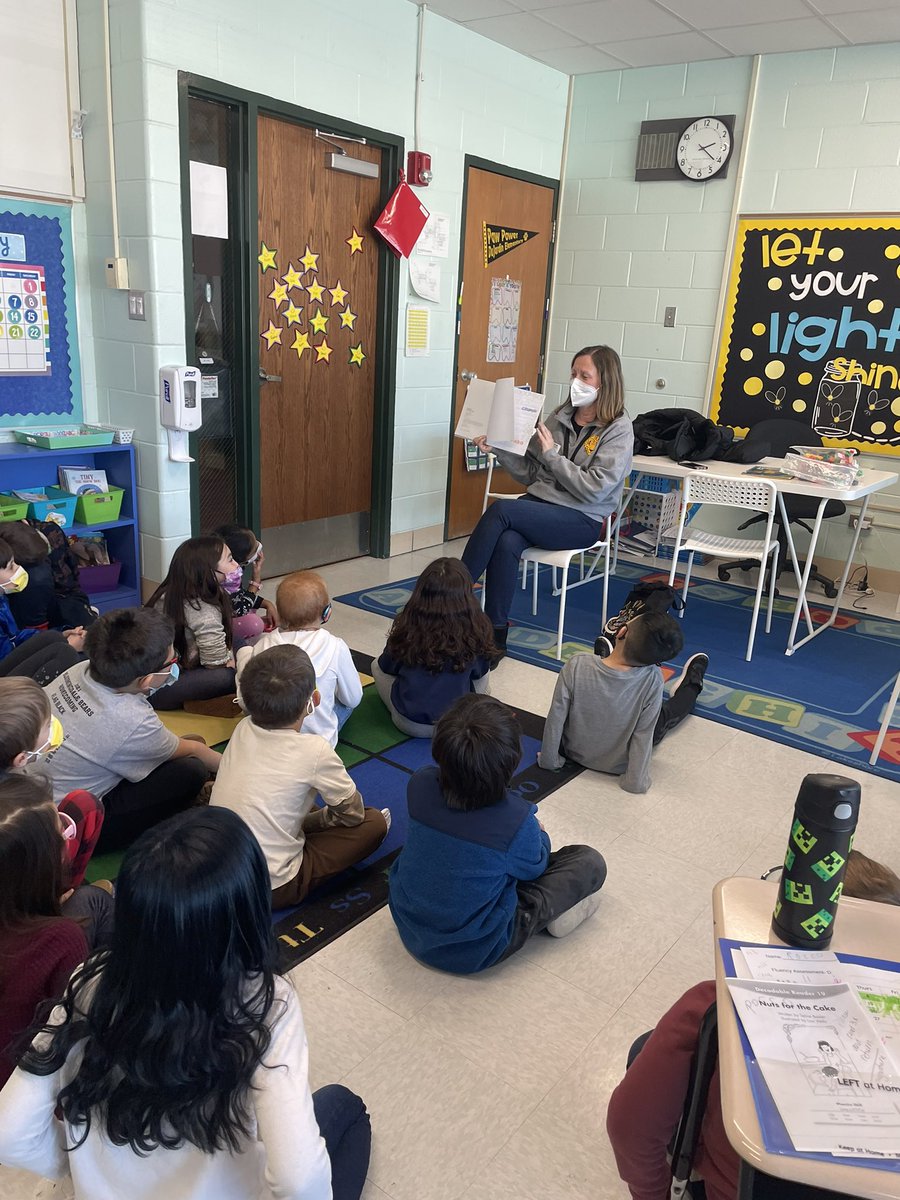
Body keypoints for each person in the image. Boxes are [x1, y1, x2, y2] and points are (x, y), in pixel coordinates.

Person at [0, 806, 372, 1199]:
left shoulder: (91, 979)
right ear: (244, 914)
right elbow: (300, 1182)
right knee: (346, 1107)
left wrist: (75, 1171)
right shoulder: (264, 1002)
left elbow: (8, 1133)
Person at [606, 848, 900, 1200]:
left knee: (648, 1047)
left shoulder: (713, 1009)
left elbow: (628, 1128)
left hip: (733, 1189)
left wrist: (654, 1195)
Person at [389, 693, 607, 974]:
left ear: (439, 749)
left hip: (408, 920)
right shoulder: (515, 820)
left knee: (482, 863)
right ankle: (550, 916)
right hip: (473, 950)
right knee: (588, 861)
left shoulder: (419, 783)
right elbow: (536, 866)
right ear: (512, 763)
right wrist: (538, 832)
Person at [461, 345, 633, 657]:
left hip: (583, 519)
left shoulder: (619, 428)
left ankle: (451, 598)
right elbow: (530, 474)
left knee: (501, 511)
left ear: (605, 382)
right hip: (541, 507)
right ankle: (495, 636)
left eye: (584, 376)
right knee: (508, 541)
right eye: (573, 374)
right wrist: (499, 449)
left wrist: (553, 457)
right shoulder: (559, 416)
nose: (575, 382)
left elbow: (595, 489)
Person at [211, 644, 388, 908]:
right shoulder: (315, 750)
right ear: (314, 700)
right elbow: (352, 814)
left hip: (218, 870)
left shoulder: (242, 728)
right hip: (273, 886)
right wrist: (320, 821)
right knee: (374, 823)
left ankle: (303, 824)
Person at [39, 607, 221, 852]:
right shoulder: (132, 721)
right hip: (70, 828)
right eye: (172, 660)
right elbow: (195, 750)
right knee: (192, 769)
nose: (174, 663)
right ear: (146, 680)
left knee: (184, 745)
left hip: (38, 797)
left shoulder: (79, 671)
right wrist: (235, 770)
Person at [0, 773, 113, 1089]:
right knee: (97, 902)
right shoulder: (60, 938)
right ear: (37, 865)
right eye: (60, 834)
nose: (67, 833)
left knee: (94, 898)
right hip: (24, 1084)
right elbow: (76, 1028)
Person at [539, 612, 709, 794]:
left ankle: (608, 658)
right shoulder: (653, 679)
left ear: (620, 632)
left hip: (573, 753)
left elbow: (557, 716)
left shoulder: (576, 664)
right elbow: (643, 735)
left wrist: (549, 760)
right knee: (667, 714)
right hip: (618, 765)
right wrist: (635, 781)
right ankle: (693, 681)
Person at [236, 570, 362, 748]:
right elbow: (353, 699)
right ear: (327, 612)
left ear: (279, 614)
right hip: (318, 742)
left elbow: (246, 701)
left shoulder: (263, 645)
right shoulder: (336, 646)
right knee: (346, 704)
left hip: (267, 738)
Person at [372, 557, 497, 738]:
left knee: (375, 665)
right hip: (457, 723)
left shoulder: (408, 625)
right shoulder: (477, 628)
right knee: (482, 673)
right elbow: (480, 671)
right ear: (466, 595)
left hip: (409, 723)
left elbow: (385, 666)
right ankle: (474, 706)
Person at [0, 677, 104, 887]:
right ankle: (65, 891)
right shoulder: (27, 801)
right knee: (87, 806)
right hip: (24, 888)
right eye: (47, 725)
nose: (53, 725)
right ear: (21, 759)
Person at [144, 535, 237, 710]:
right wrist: (232, 662)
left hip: (172, 665)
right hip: (158, 689)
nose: (237, 566)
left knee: (237, 639)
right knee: (231, 676)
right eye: (230, 560)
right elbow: (214, 662)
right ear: (208, 571)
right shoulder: (202, 609)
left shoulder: (172, 591)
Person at [0, 534, 84, 686]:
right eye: (11, 566)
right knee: (65, 653)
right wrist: (69, 646)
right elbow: (8, 656)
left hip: (7, 662)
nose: (18, 569)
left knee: (54, 637)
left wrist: (62, 635)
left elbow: (15, 638)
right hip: (5, 684)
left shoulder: (2, 600)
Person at [213, 523, 278, 641]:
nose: (258, 546)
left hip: (234, 611)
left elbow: (239, 595)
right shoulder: (219, 582)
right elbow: (240, 610)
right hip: (220, 627)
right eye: (254, 549)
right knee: (254, 624)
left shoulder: (229, 573)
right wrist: (255, 582)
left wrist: (267, 604)